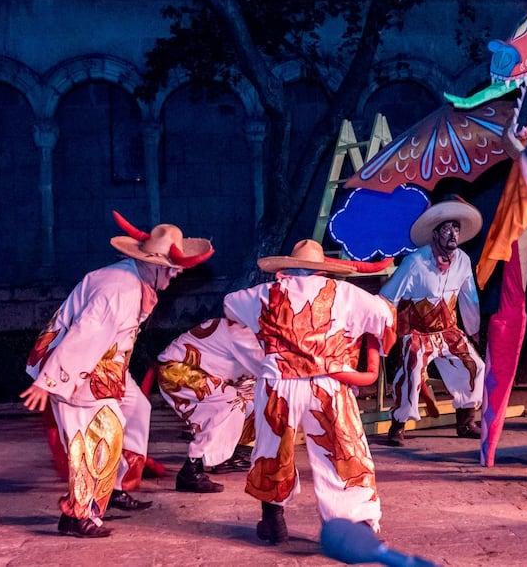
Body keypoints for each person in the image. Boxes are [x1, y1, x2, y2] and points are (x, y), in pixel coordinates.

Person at [20, 211, 213, 539]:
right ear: (154, 264)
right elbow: (86, 333)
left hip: (105, 367)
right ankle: (79, 515)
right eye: (173, 266)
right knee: (98, 435)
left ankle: (117, 486)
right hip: (80, 370)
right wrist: (49, 380)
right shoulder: (120, 290)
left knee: (137, 410)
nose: (179, 272)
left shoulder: (132, 278)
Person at [223, 239, 397, 546]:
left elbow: (230, 305)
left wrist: (260, 352)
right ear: (322, 269)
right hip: (327, 382)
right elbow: (384, 316)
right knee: (341, 449)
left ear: (290, 268)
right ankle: (353, 524)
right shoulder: (345, 293)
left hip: (278, 383)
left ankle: (273, 521)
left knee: (272, 449)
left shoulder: (265, 294)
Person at [381, 195, 486, 445]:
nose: (453, 234)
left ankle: (466, 421)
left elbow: (469, 297)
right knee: (412, 368)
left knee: (474, 365)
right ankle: (398, 425)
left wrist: (474, 330)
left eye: (456, 229)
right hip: (417, 332)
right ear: (436, 233)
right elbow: (388, 296)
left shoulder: (462, 260)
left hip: (448, 331)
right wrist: (382, 331)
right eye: (447, 228)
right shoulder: (415, 262)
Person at [155, 316, 264, 494]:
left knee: (259, 400)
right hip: (177, 370)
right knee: (230, 403)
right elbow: (267, 367)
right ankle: (191, 470)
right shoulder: (241, 331)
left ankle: (225, 456)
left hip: (209, 375)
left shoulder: (253, 329)